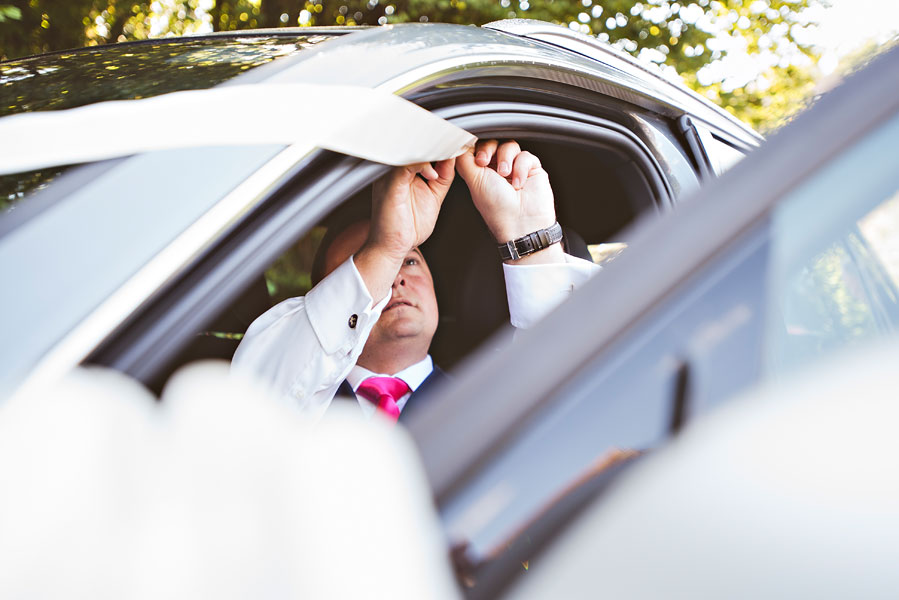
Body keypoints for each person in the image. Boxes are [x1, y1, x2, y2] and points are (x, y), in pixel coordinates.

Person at [231, 140, 598, 421]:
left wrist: (529, 238)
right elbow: (255, 393)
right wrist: (385, 249)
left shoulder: (497, 406)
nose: (396, 278)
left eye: (410, 260)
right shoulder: (282, 406)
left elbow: (586, 406)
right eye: (360, 268)